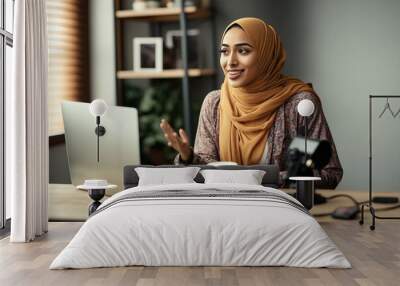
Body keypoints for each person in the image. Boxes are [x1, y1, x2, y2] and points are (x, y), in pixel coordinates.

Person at [160, 17, 343, 189]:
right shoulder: (215, 103)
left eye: (243, 51)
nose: (230, 61)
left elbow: (329, 174)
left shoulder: (300, 105)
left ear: (266, 55)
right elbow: (205, 173)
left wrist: (260, 179)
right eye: (225, 51)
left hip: (281, 211)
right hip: (225, 210)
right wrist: (188, 157)